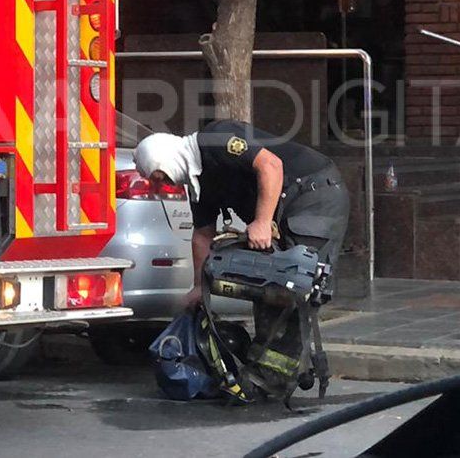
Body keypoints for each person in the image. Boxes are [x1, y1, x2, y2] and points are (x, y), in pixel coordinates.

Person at [133, 119, 349, 393]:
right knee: (271, 287)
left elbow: (271, 165)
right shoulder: (199, 181)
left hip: (315, 196)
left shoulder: (216, 138)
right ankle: (276, 372)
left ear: (160, 158)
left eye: (157, 177)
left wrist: (261, 222)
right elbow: (202, 235)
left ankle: (270, 379)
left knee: (294, 287)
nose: (158, 185)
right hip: (294, 205)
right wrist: (199, 287)